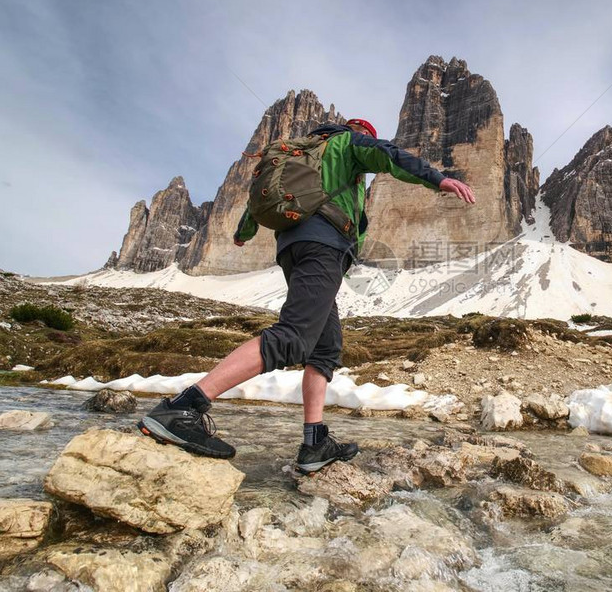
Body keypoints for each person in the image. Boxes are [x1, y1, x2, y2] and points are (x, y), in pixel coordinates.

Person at [138, 118, 476, 473]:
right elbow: (389, 154)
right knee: (295, 337)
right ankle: (184, 408)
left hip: (293, 247)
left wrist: (243, 232)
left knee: (325, 347)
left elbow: (262, 198)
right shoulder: (349, 144)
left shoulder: (299, 154)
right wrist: (438, 179)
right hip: (323, 245)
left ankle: (314, 443)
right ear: (360, 133)